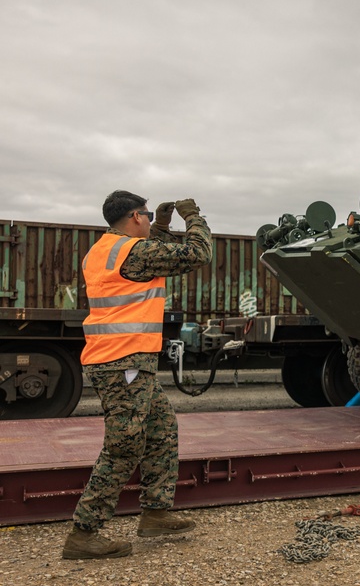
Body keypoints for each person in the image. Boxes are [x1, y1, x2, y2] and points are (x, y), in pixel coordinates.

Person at [63, 191, 212, 560]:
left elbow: (149, 258)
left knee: (161, 427)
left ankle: (156, 513)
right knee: (125, 445)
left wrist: (160, 226)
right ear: (134, 216)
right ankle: (84, 533)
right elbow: (198, 253)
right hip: (122, 360)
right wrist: (193, 217)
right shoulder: (131, 252)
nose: (148, 220)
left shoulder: (105, 249)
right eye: (145, 215)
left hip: (122, 358)